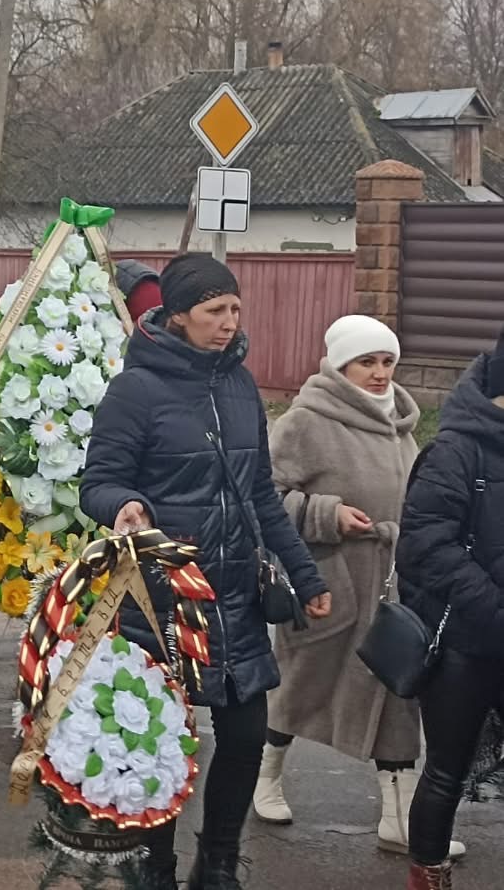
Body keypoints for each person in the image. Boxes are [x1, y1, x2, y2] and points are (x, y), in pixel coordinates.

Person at [81, 252, 329, 890]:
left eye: (235, 309)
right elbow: (99, 483)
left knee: (245, 736)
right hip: (164, 599)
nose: (229, 322)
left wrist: (305, 576)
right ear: (179, 315)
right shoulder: (136, 389)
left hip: (236, 595)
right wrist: (125, 504)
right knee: (162, 743)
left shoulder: (239, 383)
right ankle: (153, 867)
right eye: (215, 311)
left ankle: (217, 861)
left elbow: (262, 496)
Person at [259, 316, 465, 860]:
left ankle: (398, 820)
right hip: (329, 581)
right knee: (301, 687)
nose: (379, 373)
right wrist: (326, 515)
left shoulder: (401, 422)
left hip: (395, 585)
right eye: (366, 362)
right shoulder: (305, 421)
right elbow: (265, 500)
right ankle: (267, 778)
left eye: (386, 361)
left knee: (399, 694)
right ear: (340, 364)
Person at [396, 327, 504, 890]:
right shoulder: (457, 448)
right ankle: (428, 876)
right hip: (464, 644)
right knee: (445, 773)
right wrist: (493, 608)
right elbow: (424, 545)